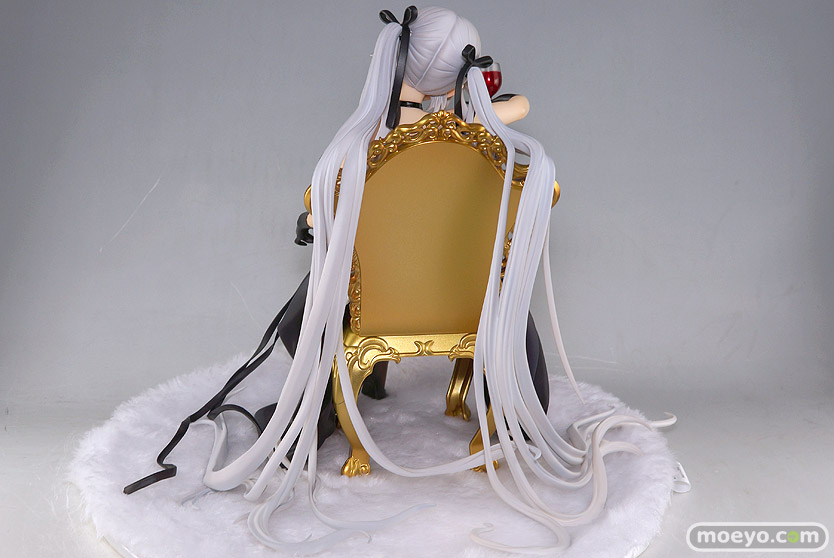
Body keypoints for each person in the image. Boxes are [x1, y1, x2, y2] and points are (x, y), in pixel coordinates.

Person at [126, 7, 668, 553]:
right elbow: (519, 110)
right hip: (469, 301)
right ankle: (504, 422)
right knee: (499, 301)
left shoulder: (368, 147)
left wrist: (318, 218)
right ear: (465, 75)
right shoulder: (486, 142)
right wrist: (468, 102)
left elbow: (324, 216)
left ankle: (329, 409)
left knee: (312, 309)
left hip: (386, 300)